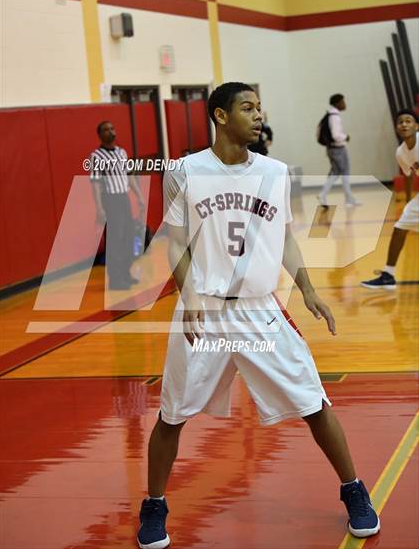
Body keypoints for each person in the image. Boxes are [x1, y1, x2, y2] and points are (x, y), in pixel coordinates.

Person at [137, 83, 380, 549]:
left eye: (259, 108)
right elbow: (175, 243)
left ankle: (354, 491)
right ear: (220, 115)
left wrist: (308, 289)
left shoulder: (273, 171)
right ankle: (154, 505)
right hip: (206, 310)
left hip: (261, 312)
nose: (257, 115)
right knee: (172, 414)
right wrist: (189, 299)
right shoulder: (185, 171)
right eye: (247, 107)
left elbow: (284, 237)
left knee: (313, 401)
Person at [361, 109, 418, 289]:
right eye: (400, 122)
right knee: (400, 227)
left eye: (408, 121)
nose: (404, 124)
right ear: (396, 128)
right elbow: (409, 175)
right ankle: (388, 275)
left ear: (416, 126)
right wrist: (408, 200)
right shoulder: (401, 152)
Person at [90, 121, 145, 290]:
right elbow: (95, 183)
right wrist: (99, 208)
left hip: (124, 198)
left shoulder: (122, 152)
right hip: (110, 200)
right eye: (106, 130)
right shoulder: (96, 156)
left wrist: (140, 197)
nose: (110, 131)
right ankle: (115, 279)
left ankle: (125, 273)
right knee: (115, 240)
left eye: (112, 128)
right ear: (100, 135)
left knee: (128, 237)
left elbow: (129, 176)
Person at [318, 94, 361, 208]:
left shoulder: (330, 115)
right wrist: (345, 137)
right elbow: (336, 135)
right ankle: (348, 199)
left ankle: (323, 194)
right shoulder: (334, 116)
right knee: (344, 173)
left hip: (333, 149)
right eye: (342, 102)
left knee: (335, 173)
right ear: (337, 103)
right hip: (337, 149)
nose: (344, 104)